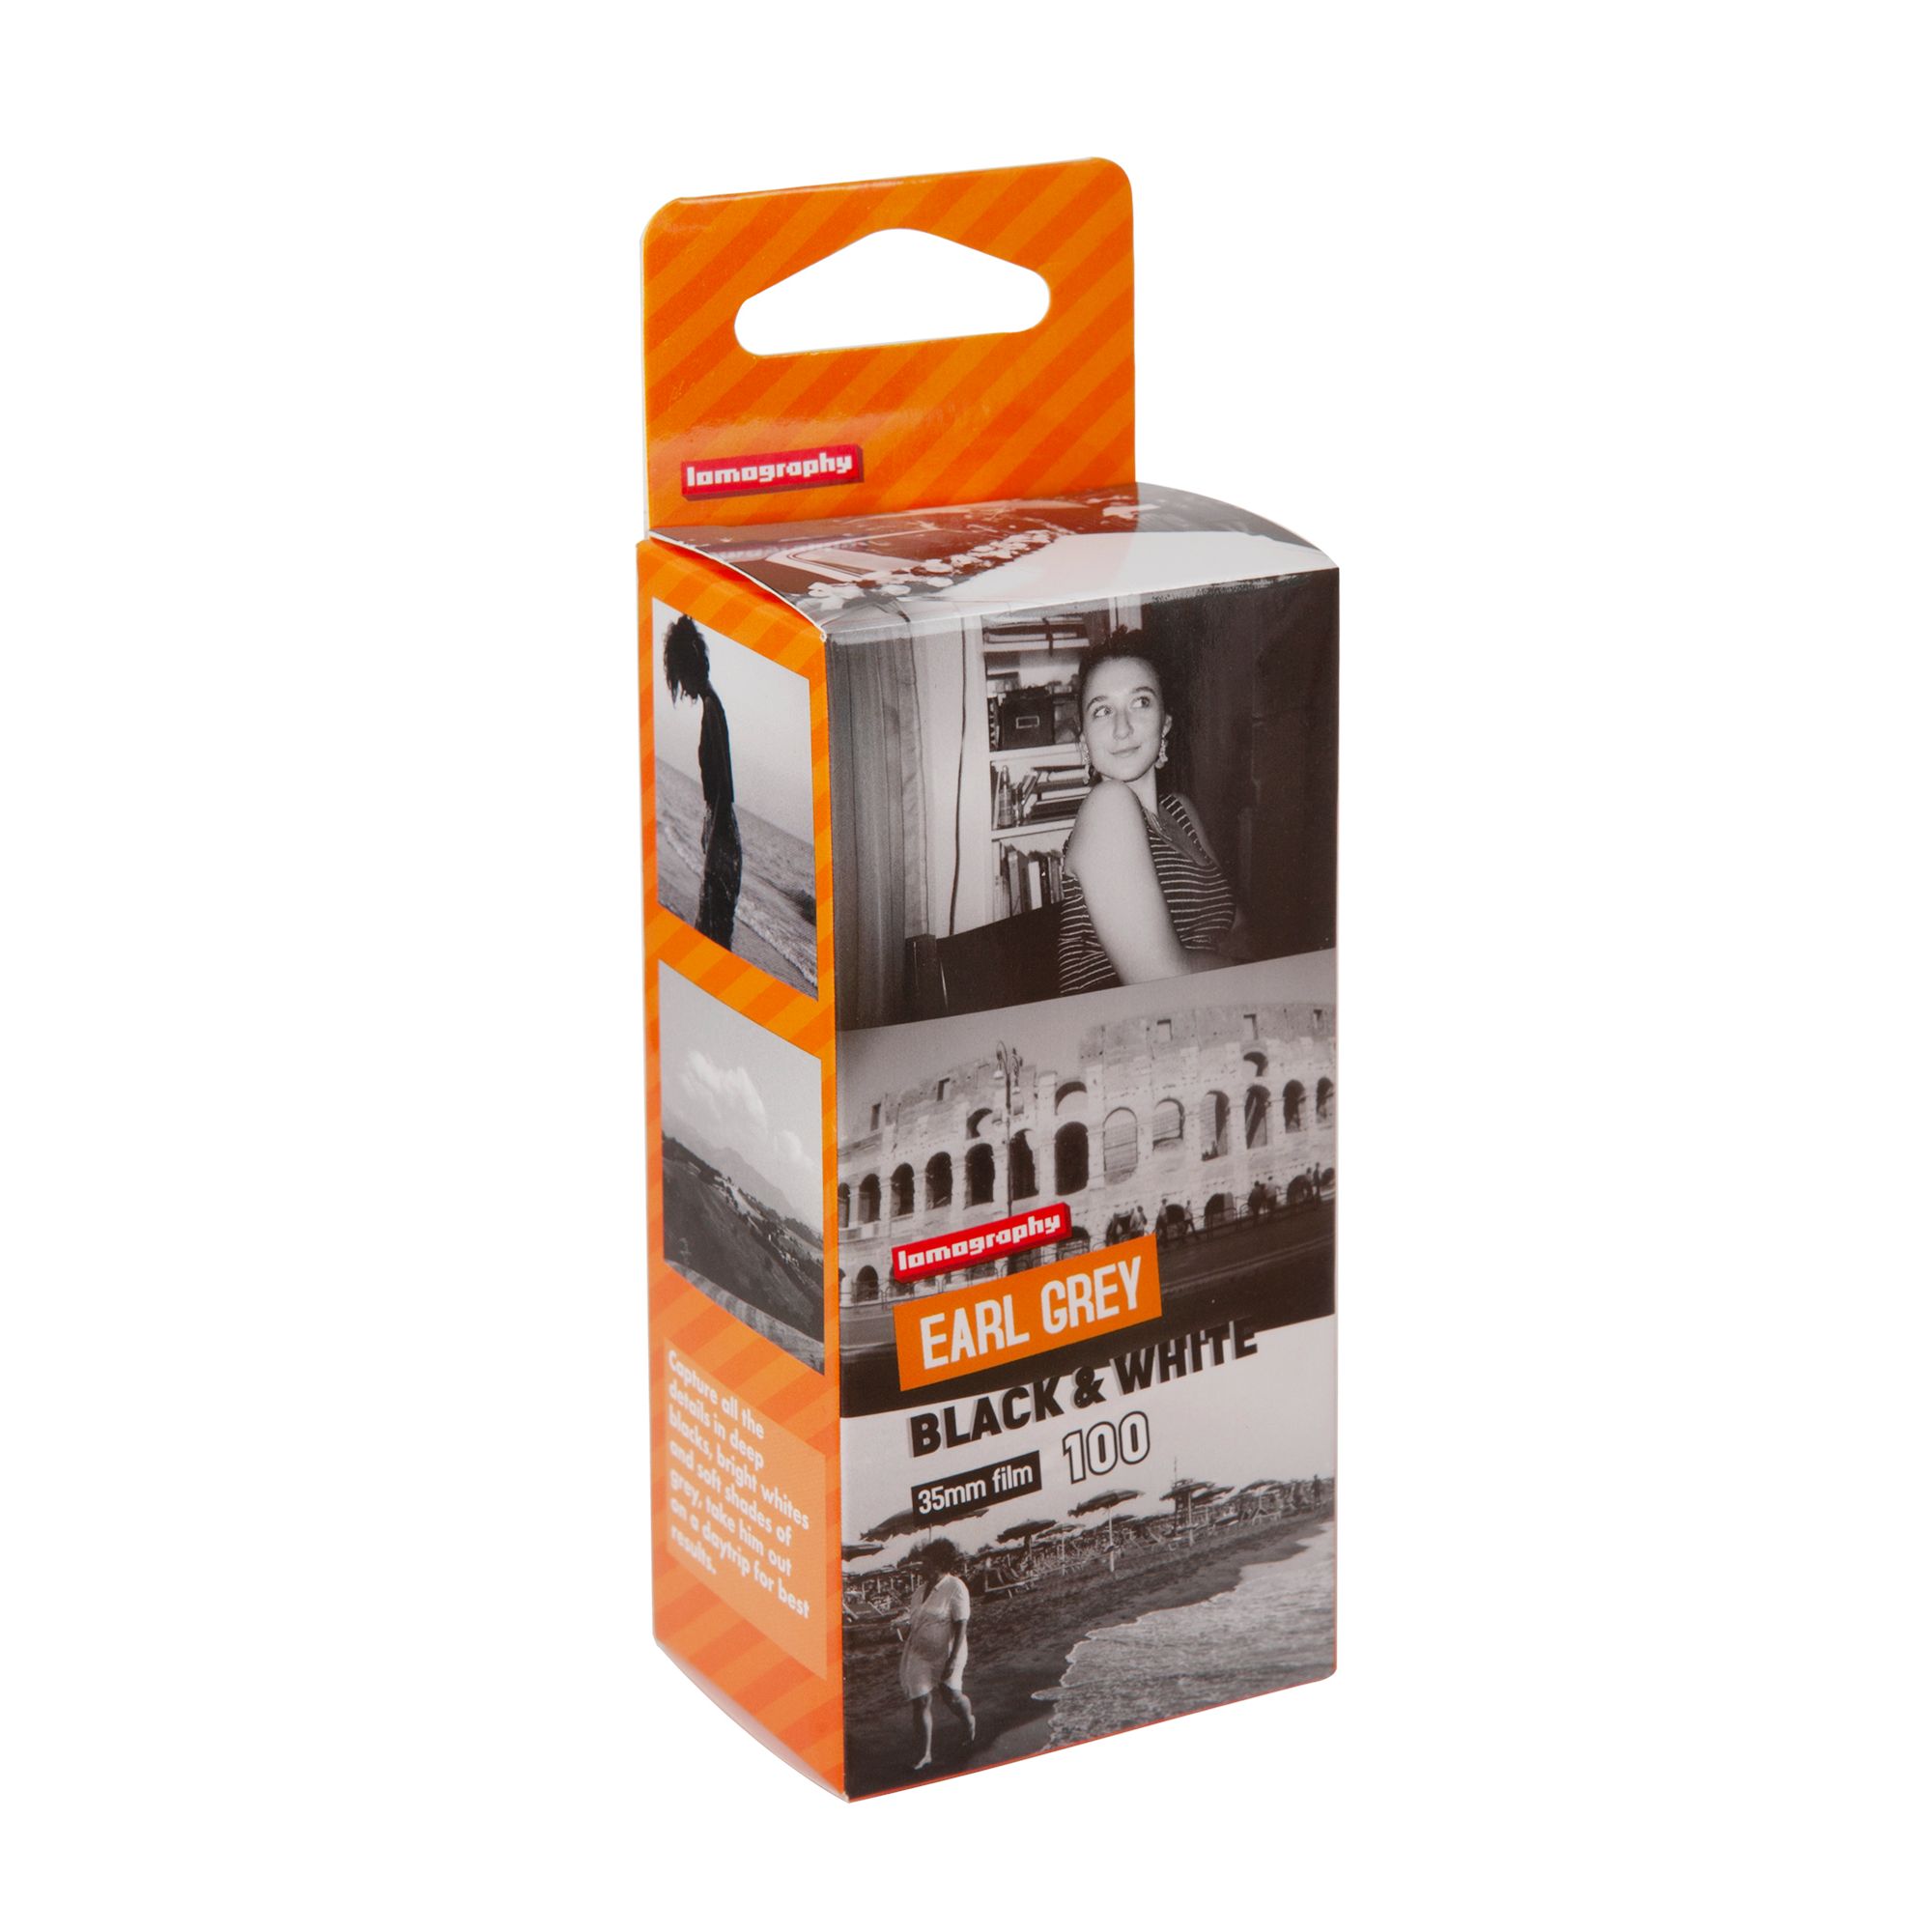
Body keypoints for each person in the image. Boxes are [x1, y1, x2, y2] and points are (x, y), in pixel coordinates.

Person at [1057, 631, 1241, 994]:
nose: (1122, 728)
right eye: (1102, 710)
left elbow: (1238, 927)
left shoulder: (1181, 811)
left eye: (1140, 702)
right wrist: (1264, 975)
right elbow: (1161, 979)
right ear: (1084, 742)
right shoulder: (1107, 807)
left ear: (1165, 724)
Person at [662, 612, 742, 951]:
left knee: (711, 941)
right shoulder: (713, 706)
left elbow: (723, 789)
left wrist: (713, 841)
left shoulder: (711, 709)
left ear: (689, 667)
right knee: (714, 938)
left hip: (723, 842)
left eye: (680, 676)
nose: (682, 687)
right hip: (723, 837)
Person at [897, 1538, 974, 1770]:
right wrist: (903, 1627)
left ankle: (968, 1720)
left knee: (951, 1696)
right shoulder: (919, 1592)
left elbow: (961, 1624)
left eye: (926, 1563)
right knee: (921, 1700)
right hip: (919, 1653)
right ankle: (925, 1754)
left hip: (948, 1651)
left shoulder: (955, 1587)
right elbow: (917, 1621)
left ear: (940, 1564)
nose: (921, 1567)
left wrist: (952, 1660)